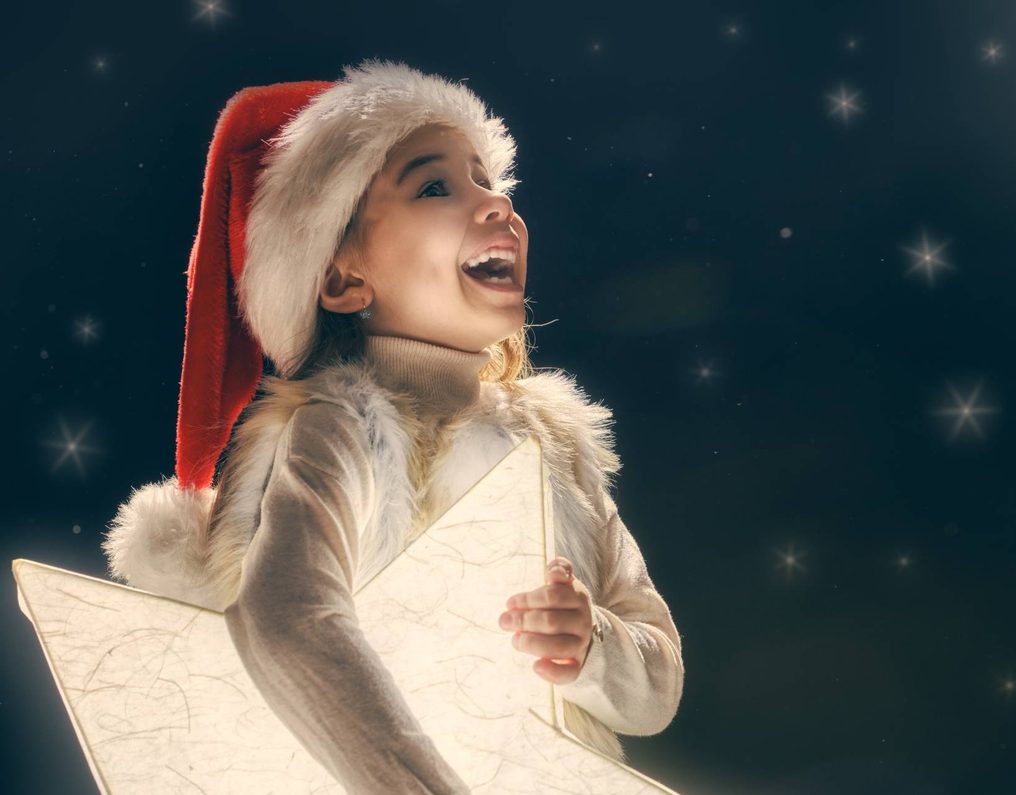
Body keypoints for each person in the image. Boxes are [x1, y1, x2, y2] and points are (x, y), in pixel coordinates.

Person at [99, 59, 684, 793]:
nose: (496, 204)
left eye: (489, 180)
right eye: (436, 186)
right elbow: (289, 618)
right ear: (343, 278)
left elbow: (657, 678)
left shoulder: (554, 447)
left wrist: (593, 644)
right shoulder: (338, 433)